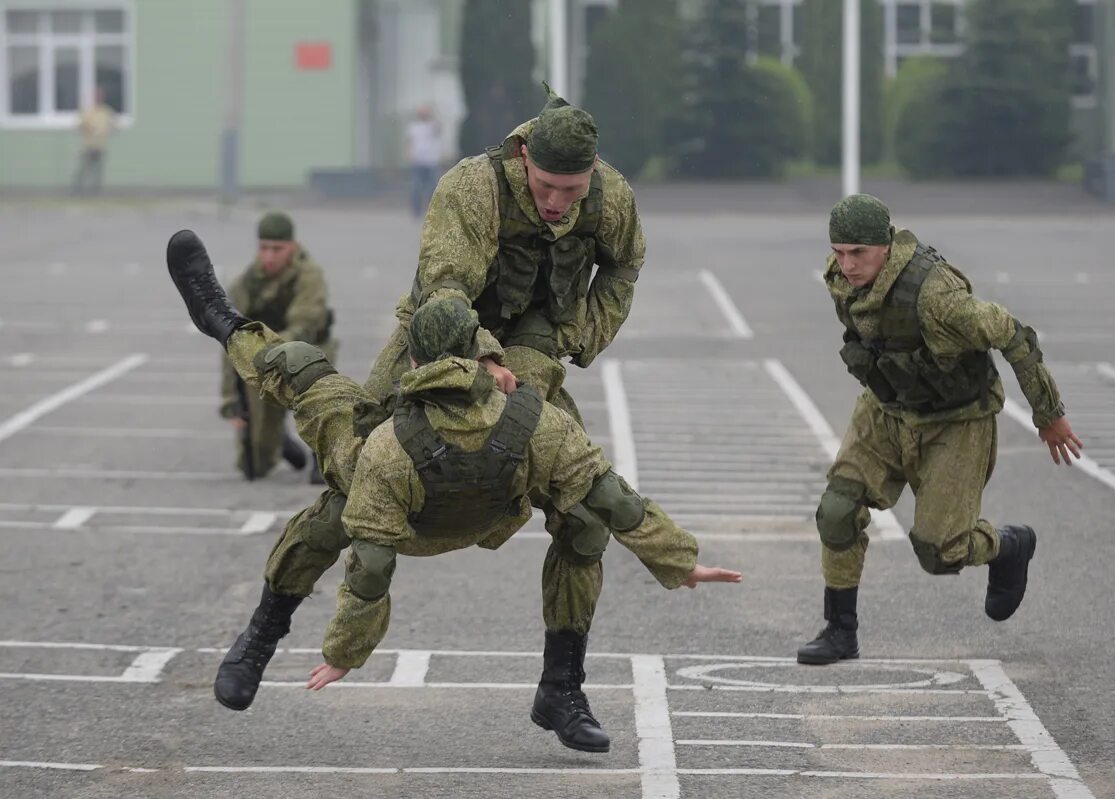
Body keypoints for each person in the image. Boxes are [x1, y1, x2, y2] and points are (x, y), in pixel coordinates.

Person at [166, 230, 741, 753]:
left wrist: (344, 654)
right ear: (484, 359)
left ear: (409, 360)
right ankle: (564, 684)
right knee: (586, 518)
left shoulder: (385, 448)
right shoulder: (536, 419)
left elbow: (370, 564)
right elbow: (610, 495)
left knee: (301, 388)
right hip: (488, 515)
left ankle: (221, 322)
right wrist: (677, 562)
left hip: (399, 509)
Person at [200, 82, 657, 726]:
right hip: (438, 335)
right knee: (353, 485)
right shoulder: (471, 188)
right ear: (523, 153)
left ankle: (561, 686)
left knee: (582, 512)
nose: (557, 204)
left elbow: (624, 266)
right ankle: (261, 638)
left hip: (534, 347)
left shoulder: (611, 199)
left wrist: (578, 336)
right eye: (546, 187)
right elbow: (446, 290)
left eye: (571, 192)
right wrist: (481, 356)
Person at [796, 194, 1084, 666]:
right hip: (887, 409)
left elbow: (1014, 333)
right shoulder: (839, 277)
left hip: (956, 420)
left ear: (886, 246)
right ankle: (840, 633)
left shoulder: (936, 296)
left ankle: (1009, 546)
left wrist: (1048, 414)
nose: (845, 264)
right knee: (836, 511)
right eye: (839, 251)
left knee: (940, 551)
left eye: (858, 253)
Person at [219, 212, 336, 484]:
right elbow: (230, 341)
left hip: (310, 355)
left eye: (277, 249)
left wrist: (260, 356)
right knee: (253, 467)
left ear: (292, 247)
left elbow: (302, 328)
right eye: (263, 248)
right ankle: (278, 441)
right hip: (265, 361)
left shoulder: (309, 277)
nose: (269, 257)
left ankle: (324, 453)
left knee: (324, 406)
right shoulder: (247, 283)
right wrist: (231, 401)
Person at [72, 86, 116, 196]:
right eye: (96, 96)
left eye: (100, 96)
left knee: (98, 171)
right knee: (84, 169)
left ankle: (96, 192)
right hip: (88, 146)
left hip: (100, 146)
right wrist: (87, 129)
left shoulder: (106, 111)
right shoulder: (88, 112)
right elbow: (79, 125)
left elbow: (113, 126)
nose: (98, 98)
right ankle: (77, 191)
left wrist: (109, 130)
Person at [405, 105, 442, 218]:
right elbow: (409, 141)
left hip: (431, 161)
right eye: (422, 112)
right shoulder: (413, 126)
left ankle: (432, 210)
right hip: (417, 161)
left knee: (433, 187)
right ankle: (416, 210)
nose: (424, 115)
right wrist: (408, 153)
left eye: (426, 112)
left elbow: (439, 130)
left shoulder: (432, 125)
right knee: (416, 187)